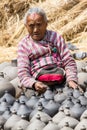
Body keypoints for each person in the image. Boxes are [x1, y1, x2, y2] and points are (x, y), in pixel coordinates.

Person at [17, 7, 78, 94]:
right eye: (31, 26)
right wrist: (33, 84)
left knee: (75, 94)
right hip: (38, 83)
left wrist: (71, 80)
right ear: (26, 26)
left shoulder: (55, 37)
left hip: (61, 79)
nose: (35, 30)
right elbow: (23, 72)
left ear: (46, 24)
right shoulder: (24, 45)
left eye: (39, 24)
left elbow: (68, 61)